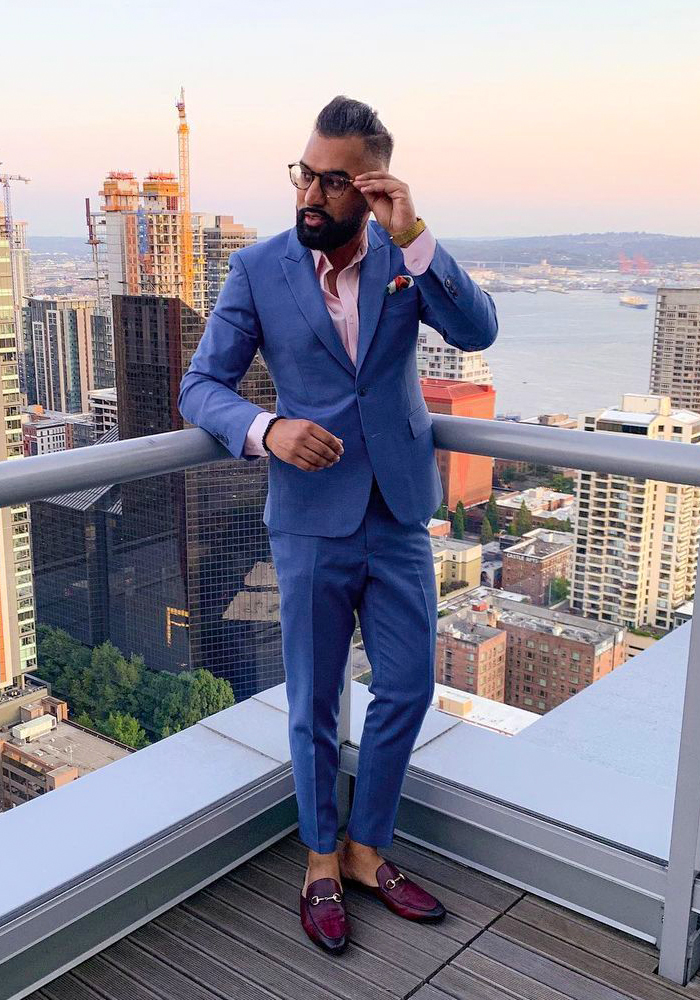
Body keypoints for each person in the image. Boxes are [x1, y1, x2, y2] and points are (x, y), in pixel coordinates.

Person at [177, 95, 498, 954]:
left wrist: (417, 232)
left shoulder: (403, 256)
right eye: (304, 174)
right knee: (316, 698)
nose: (309, 194)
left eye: (330, 180)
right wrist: (266, 429)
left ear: (370, 186)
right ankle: (320, 859)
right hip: (310, 519)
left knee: (407, 686)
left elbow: (478, 330)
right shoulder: (256, 268)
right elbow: (200, 385)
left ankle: (367, 849)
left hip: (396, 512)